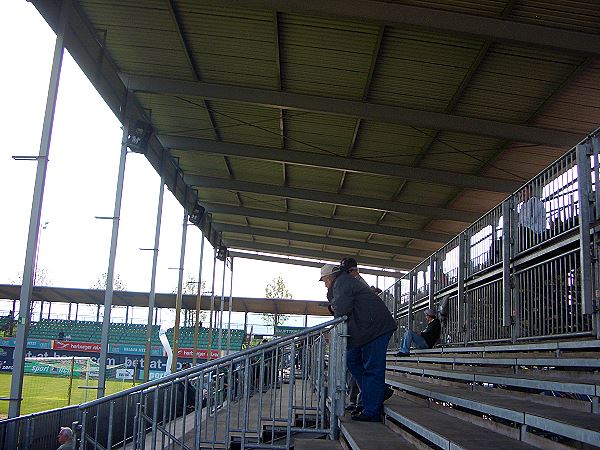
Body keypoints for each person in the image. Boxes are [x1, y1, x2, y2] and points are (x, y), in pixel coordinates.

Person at [320, 263, 396, 422]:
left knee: (372, 368)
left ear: (330, 278)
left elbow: (342, 308)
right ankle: (378, 392)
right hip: (367, 330)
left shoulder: (342, 282)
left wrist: (333, 306)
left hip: (376, 329)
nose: (325, 285)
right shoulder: (342, 283)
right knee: (352, 359)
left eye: (325, 281)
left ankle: (372, 411)